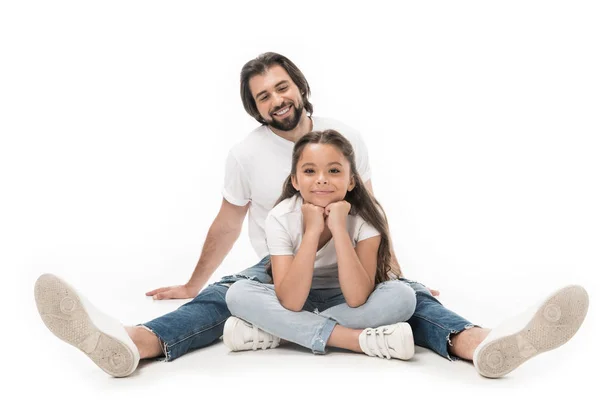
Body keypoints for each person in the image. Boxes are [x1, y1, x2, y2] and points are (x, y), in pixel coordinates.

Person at [34, 52, 589, 379]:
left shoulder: (346, 139)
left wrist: (395, 270)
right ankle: (131, 344)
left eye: (282, 86)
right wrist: (191, 281)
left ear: (299, 86)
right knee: (225, 297)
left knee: (410, 300)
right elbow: (227, 224)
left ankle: (484, 345)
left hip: (350, 267)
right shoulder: (246, 156)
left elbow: (370, 210)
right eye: (262, 96)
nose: (276, 99)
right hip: (283, 270)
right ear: (254, 108)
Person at [224, 130, 417, 360]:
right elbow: (292, 301)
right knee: (238, 293)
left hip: (347, 301)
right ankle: (352, 339)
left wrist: (339, 229)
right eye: (309, 171)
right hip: (298, 299)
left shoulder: (366, 216)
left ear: (352, 180)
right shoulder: (281, 216)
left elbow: (357, 297)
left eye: (334, 171)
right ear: (295, 180)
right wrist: (313, 231)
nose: (322, 179)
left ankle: (279, 333)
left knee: (403, 296)